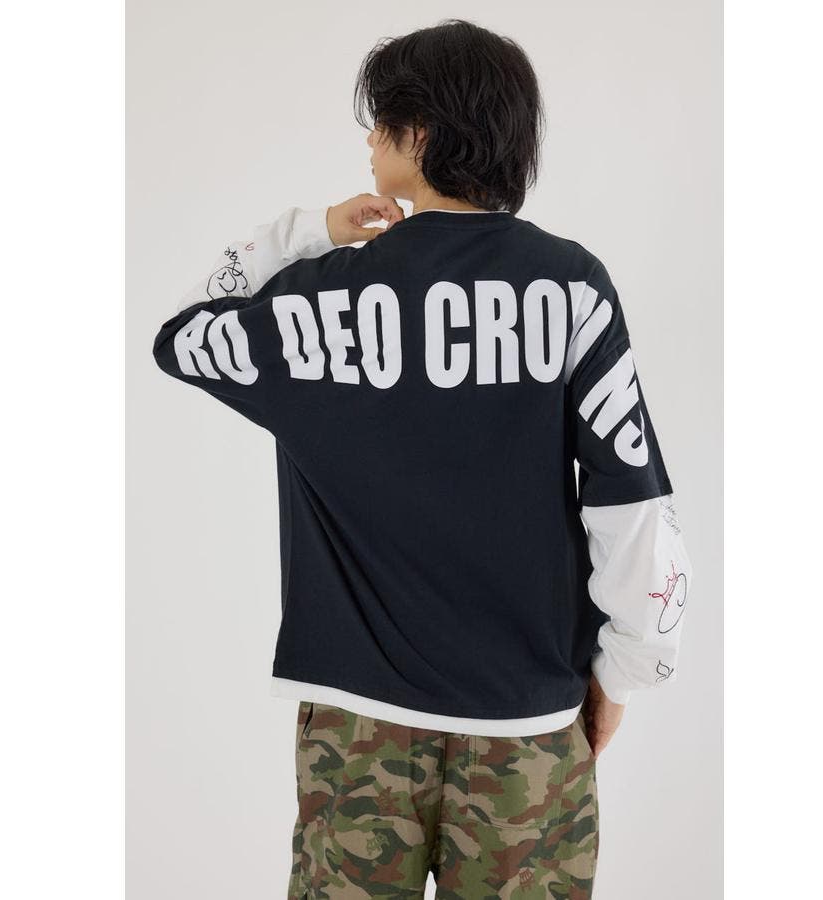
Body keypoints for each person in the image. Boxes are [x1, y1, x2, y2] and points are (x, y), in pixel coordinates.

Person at [152, 18, 692, 899]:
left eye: (382, 122)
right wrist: (626, 671)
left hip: (355, 731)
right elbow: (630, 505)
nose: (369, 143)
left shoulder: (321, 298)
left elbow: (182, 336)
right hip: (527, 724)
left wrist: (307, 231)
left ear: (422, 134)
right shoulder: (571, 287)